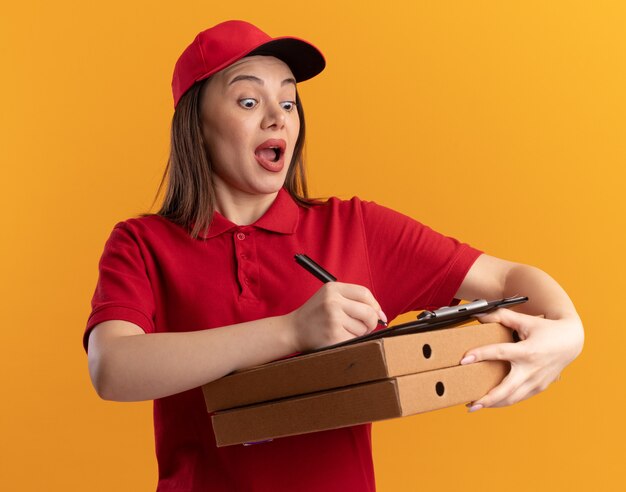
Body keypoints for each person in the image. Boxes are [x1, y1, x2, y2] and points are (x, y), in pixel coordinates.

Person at [84, 20, 584, 492]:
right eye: (249, 99)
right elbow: (113, 367)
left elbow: (508, 279)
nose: (277, 116)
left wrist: (568, 328)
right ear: (195, 123)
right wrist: (293, 331)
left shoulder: (356, 228)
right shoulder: (142, 243)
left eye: (289, 101)